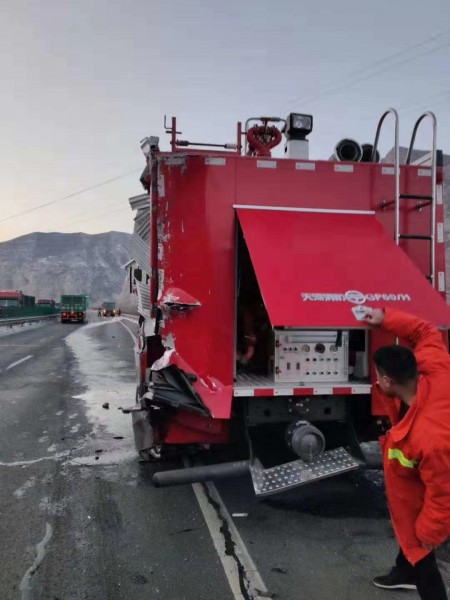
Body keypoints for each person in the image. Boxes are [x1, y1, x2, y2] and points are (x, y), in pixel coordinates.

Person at [361, 307, 450, 600]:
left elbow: (443, 496)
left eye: (378, 377)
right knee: (409, 520)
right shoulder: (433, 366)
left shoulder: (431, 439)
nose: (376, 381)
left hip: (442, 480)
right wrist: (385, 318)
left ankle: (419, 574)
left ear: (388, 382)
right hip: (429, 472)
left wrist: (427, 534)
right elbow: (425, 330)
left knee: (421, 550)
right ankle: (405, 569)